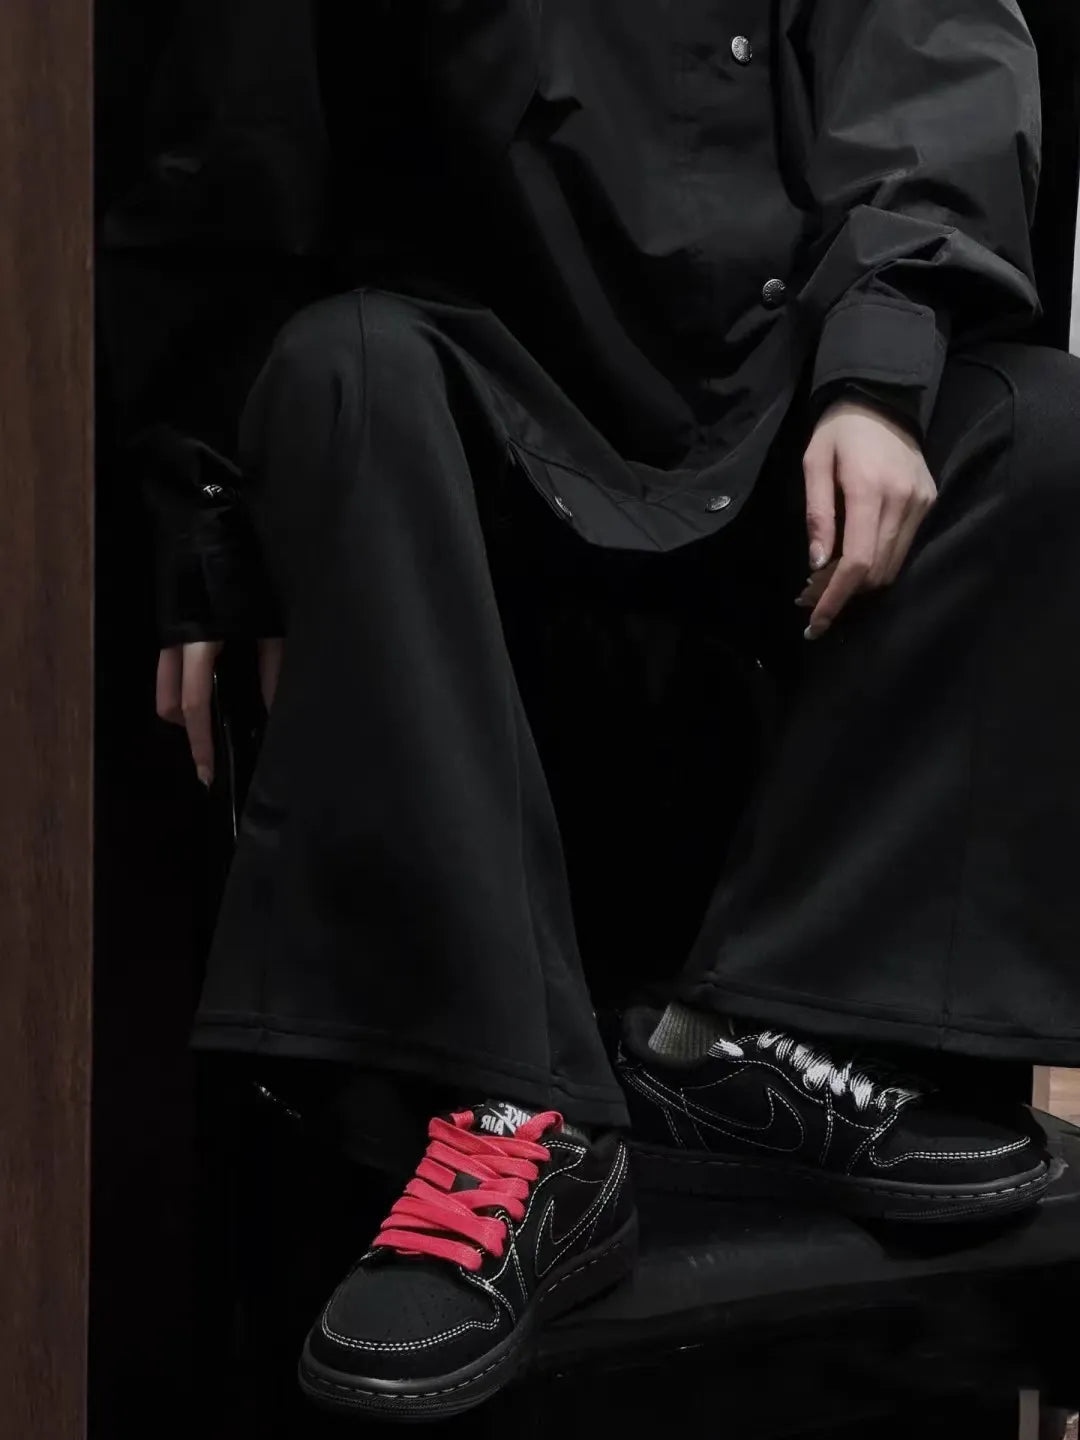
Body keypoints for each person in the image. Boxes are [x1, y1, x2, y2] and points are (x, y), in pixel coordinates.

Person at [135, 0, 1080, 1421]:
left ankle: (749, 1047)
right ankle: (513, 1116)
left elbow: (930, 59)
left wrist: (879, 376)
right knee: (344, 365)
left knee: (1039, 422)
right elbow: (231, 160)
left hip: (785, 380)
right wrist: (214, 523)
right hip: (478, 380)